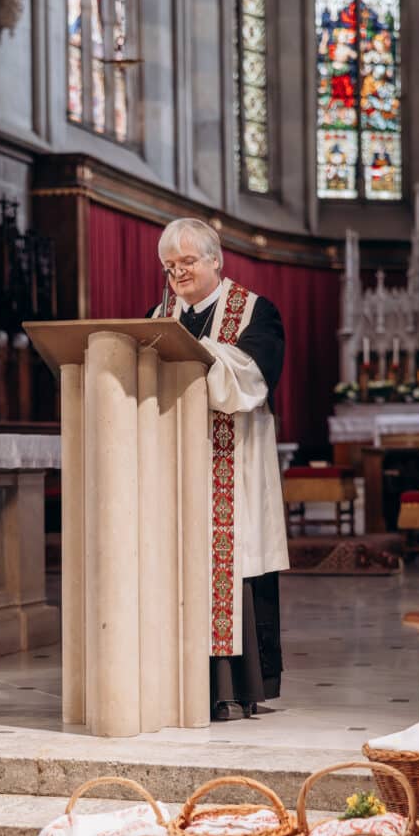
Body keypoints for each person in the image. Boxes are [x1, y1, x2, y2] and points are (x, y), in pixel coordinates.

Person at [150, 217, 289, 721]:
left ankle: (237, 684)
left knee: (237, 567)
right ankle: (177, 678)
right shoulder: (158, 316)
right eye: (170, 266)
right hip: (175, 473)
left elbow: (251, 381)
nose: (178, 274)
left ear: (215, 259)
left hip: (235, 471)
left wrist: (195, 352)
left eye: (187, 262)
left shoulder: (256, 312)